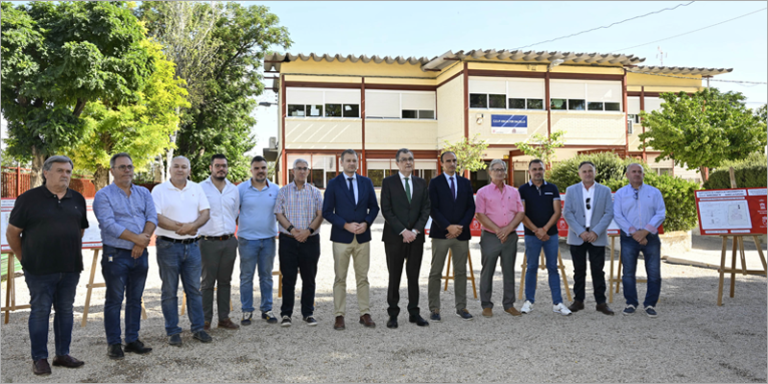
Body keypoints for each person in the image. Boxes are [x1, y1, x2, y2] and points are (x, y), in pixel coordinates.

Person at [5, 156, 89, 375]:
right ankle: (39, 358)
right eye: (60, 170)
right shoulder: (28, 199)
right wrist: (25, 259)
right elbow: (13, 233)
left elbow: (79, 230)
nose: (65, 175)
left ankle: (62, 354)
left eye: (68, 171)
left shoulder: (77, 199)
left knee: (65, 311)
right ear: (46, 173)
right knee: (41, 312)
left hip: (70, 268)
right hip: (39, 269)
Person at [93, 153, 156, 360]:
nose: (127, 170)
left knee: (135, 299)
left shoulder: (143, 193)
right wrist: (137, 240)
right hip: (116, 254)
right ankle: (113, 343)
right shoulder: (103, 195)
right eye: (122, 167)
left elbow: (151, 217)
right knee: (114, 299)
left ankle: (132, 339)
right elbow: (109, 224)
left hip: (141, 253)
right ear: (112, 170)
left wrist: (142, 240)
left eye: (129, 166)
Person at [151, 156, 212, 346]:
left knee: (194, 289)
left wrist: (191, 226)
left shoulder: (196, 188)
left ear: (189, 170)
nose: (180, 169)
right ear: (170, 169)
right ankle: (173, 331)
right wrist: (182, 228)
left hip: (193, 246)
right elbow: (156, 216)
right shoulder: (159, 190)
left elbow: (206, 213)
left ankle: (198, 329)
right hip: (168, 246)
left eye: (184, 167)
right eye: (176, 166)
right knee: (169, 290)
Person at [322, 149, 380, 330]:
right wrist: (345, 225)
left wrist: (366, 223)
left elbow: (374, 208)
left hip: (362, 237)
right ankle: (339, 315)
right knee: (340, 278)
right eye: (348, 161)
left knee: (362, 277)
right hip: (341, 237)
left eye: (354, 161)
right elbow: (326, 212)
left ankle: (365, 313)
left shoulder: (366, 182)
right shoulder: (333, 184)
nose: (352, 164)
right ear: (341, 163)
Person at [380, 148, 431, 329]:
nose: (408, 162)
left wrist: (415, 231)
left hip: (416, 238)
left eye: (410, 159)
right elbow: (386, 210)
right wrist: (403, 231)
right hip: (395, 237)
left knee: (413, 276)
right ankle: (393, 314)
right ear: (397, 163)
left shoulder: (421, 182)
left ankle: (414, 313)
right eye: (403, 159)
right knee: (395, 275)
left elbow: (426, 209)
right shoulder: (388, 182)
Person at [427, 151, 476, 322]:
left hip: (461, 235)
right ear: (441, 164)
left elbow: (471, 207)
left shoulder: (465, 182)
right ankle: (434, 308)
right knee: (436, 272)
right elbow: (432, 208)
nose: (452, 163)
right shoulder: (435, 183)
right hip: (441, 234)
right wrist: (448, 226)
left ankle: (461, 307)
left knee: (461, 271)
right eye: (448, 161)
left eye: (454, 160)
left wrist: (460, 227)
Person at [518, 159, 572, 316]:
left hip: (551, 235)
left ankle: (557, 303)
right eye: (534, 169)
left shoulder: (552, 188)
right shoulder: (522, 190)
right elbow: (522, 214)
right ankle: (529, 301)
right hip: (531, 235)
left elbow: (557, 212)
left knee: (553, 268)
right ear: (529, 171)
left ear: (544, 170)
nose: (537, 171)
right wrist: (536, 230)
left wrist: (545, 230)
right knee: (531, 267)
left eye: (540, 169)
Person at [274, 159, 324, 327]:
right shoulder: (283, 192)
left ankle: (308, 313)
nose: (302, 171)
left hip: (310, 240)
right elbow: (279, 214)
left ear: (308, 172)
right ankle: (286, 314)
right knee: (288, 278)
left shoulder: (315, 192)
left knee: (309, 278)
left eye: (305, 169)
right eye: (299, 169)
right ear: (293, 171)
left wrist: (307, 231)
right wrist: (293, 230)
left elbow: (320, 214)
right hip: (288, 240)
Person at [562, 161, 615, 316]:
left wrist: (596, 232)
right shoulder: (571, 190)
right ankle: (578, 301)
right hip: (577, 236)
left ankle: (601, 303)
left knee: (598, 270)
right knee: (579, 271)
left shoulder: (604, 190)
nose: (587, 174)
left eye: (590, 171)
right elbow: (567, 213)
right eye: (584, 171)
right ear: (579, 174)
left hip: (596, 237)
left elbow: (608, 213)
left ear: (595, 172)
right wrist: (580, 232)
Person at [613, 163, 666, 318]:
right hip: (629, 237)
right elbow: (618, 215)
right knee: (628, 272)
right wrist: (634, 233)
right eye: (633, 172)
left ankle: (650, 304)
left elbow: (660, 213)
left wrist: (645, 231)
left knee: (654, 272)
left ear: (643, 175)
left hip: (651, 237)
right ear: (627, 175)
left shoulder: (654, 192)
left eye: (639, 172)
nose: (636, 174)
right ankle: (631, 303)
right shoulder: (621, 194)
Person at [475, 159, 526, 318]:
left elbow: (520, 212)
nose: (499, 172)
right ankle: (486, 305)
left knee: (509, 271)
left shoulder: (514, 191)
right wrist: (498, 230)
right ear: (490, 172)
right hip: (491, 236)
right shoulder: (483, 192)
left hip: (510, 237)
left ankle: (508, 304)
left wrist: (508, 229)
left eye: (502, 169)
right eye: (496, 169)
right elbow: (480, 215)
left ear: (505, 172)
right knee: (487, 270)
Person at [198, 154, 240, 330]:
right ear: (211, 168)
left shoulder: (233, 189)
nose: (221, 168)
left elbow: (235, 212)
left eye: (224, 165)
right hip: (208, 242)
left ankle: (224, 318)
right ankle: (205, 320)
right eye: (217, 165)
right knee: (207, 282)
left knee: (225, 281)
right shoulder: (200, 188)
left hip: (229, 241)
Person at [237, 155, 280, 325]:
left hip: (269, 239)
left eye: (263, 168)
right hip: (247, 240)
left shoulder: (276, 189)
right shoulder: (241, 189)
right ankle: (247, 311)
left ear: (267, 169)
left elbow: (280, 212)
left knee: (266, 276)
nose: (260, 171)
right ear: (251, 170)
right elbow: (234, 213)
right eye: (256, 168)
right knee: (246, 277)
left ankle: (267, 309)